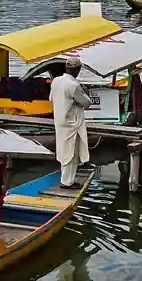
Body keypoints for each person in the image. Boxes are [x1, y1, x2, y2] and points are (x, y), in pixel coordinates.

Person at [49, 58, 94, 187]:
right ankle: (67, 182)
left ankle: (67, 178)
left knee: (64, 150)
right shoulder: (74, 85)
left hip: (59, 120)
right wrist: (85, 93)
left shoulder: (56, 81)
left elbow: (51, 98)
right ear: (77, 70)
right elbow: (87, 103)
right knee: (70, 152)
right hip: (71, 123)